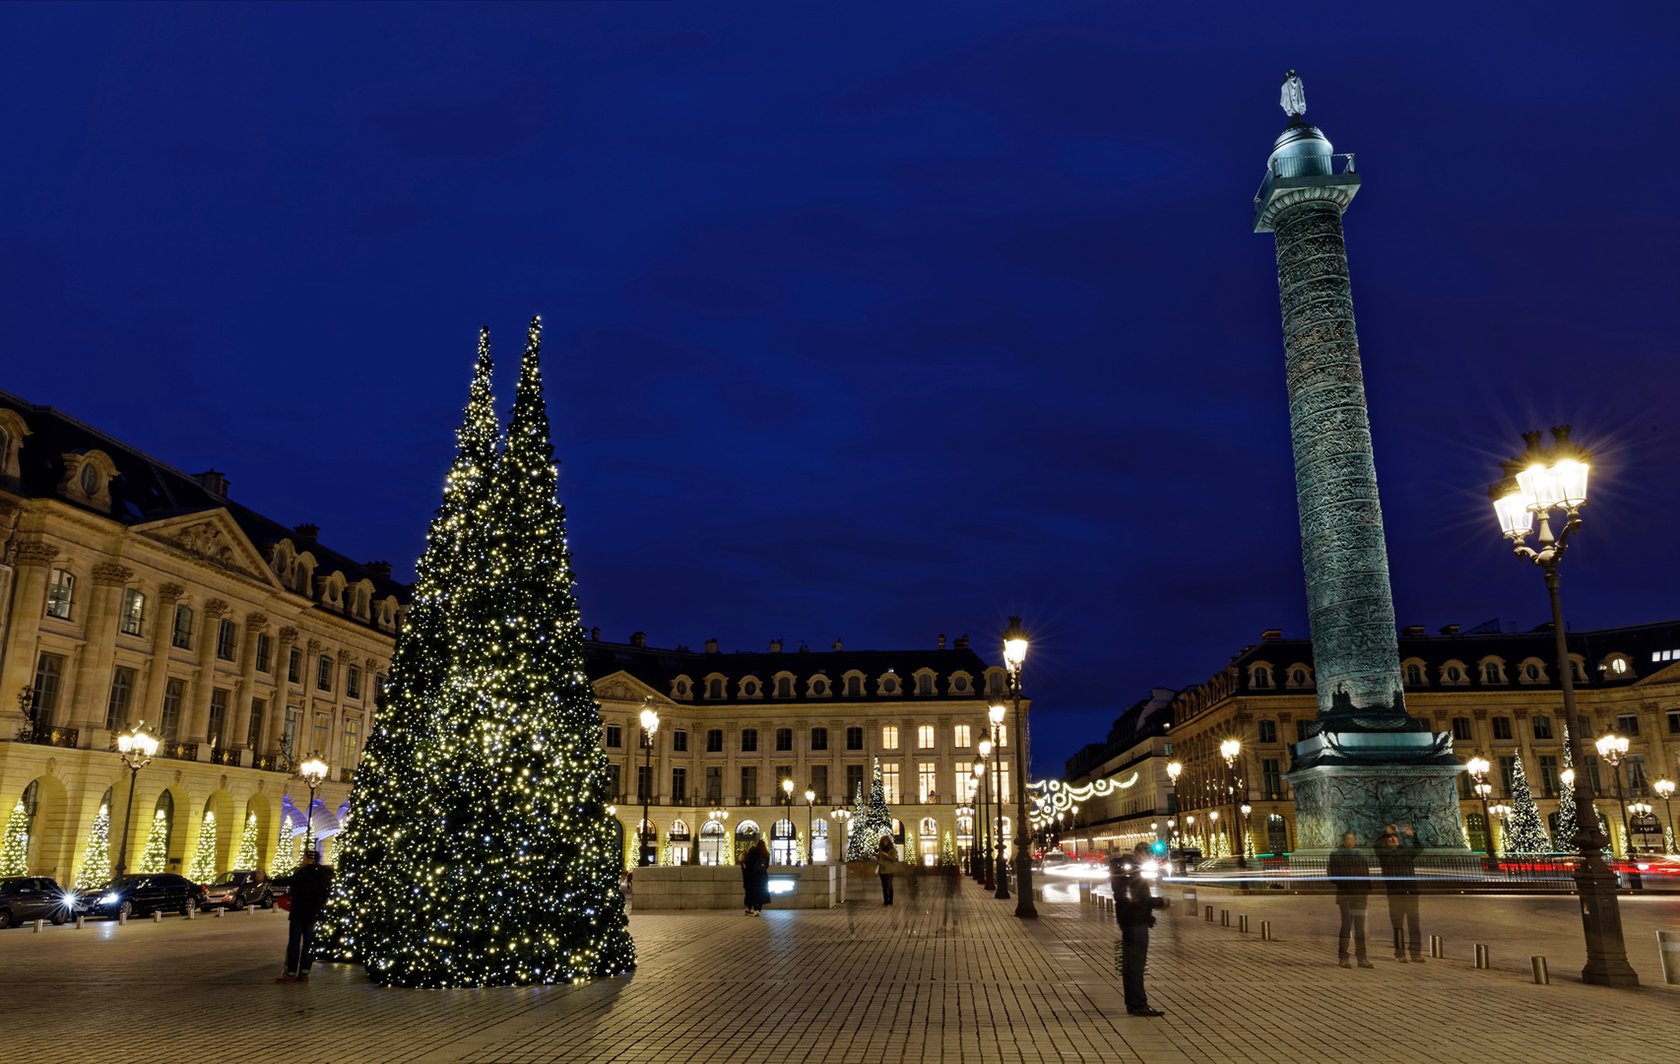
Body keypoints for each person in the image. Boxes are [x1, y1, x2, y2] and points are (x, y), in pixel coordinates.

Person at [1110, 842, 1168, 1017]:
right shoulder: (1132, 870)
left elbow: (1129, 897)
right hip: (1135, 923)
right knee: (1136, 965)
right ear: (1140, 854)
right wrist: (1159, 902)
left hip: (1129, 920)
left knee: (1130, 965)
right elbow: (1137, 898)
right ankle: (1139, 1004)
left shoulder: (1124, 869)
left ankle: (1133, 1003)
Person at [277, 849, 332, 984]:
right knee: (309, 943)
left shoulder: (303, 873)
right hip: (313, 913)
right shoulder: (323, 874)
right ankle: (304, 972)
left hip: (299, 912)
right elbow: (327, 892)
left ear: (308, 859)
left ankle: (291, 973)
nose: (302, 860)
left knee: (294, 943)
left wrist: (270, 880)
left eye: (304, 858)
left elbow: (288, 881)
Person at [1375, 822, 1424, 961]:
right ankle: (1400, 953)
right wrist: (1385, 832)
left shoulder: (1406, 852)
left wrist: (1413, 835)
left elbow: (1419, 848)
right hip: (1395, 894)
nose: (1392, 839)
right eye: (1389, 838)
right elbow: (1376, 846)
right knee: (1397, 926)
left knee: (1414, 924)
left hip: (1411, 893)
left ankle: (1416, 953)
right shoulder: (1384, 855)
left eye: (1395, 837)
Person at [1326, 831, 1374, 969]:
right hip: (1346, 896)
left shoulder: (1359, 856)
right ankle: (1343, 957)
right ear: (1344, 841)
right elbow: (1332, 876)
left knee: (1360, 929)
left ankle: (1362, 958)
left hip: (1359, 896)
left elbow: (1366, 874)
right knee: (1346, 926)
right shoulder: (1337, 856)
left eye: (1353, 839)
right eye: (1349, 839)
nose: (1351, 842)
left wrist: (1366, 891)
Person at [741, 839, 771, 916]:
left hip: (754, 876)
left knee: (754, 893)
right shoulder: (766, 854)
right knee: (762, 893)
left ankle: (754, 909)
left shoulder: (754, 852)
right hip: (763, 876)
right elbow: (767, 866)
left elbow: (749, 864)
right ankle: (758, 910)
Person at [876, 836, 898, 906]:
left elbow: (893, 859)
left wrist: (886, 855)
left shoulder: (892, 849)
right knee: (884, 886)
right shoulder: (880, 850)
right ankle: (885, 901)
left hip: (889, 870)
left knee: (889, 886)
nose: (885, 843)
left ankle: (890, 901)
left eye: (886, 841)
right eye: (883, 841)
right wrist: (878, 861)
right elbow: (878, 858)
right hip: (882, 870)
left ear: (888, 842)